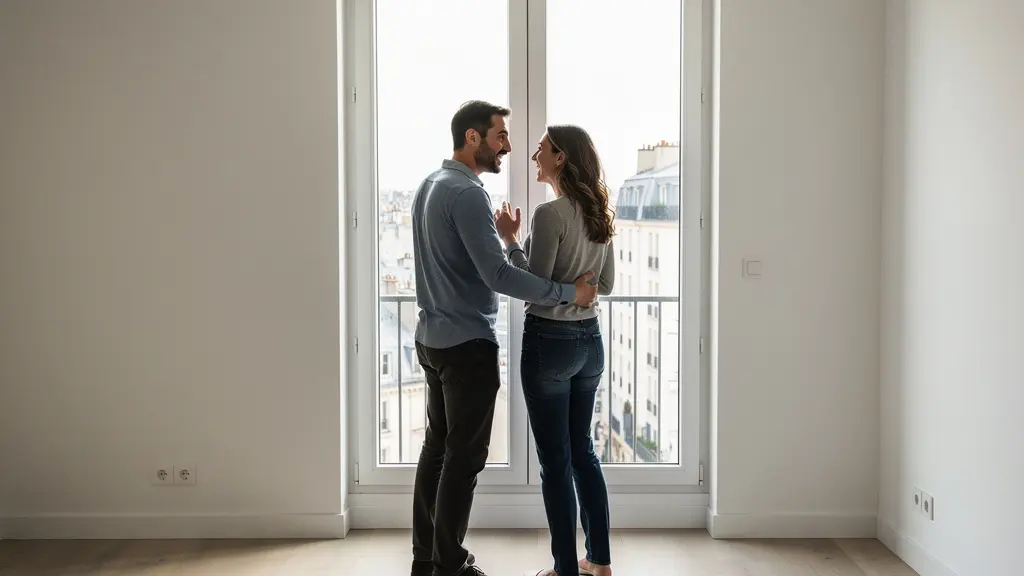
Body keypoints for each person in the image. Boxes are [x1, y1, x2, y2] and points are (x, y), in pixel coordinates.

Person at [410, 102, 599, 576]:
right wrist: (569, 293)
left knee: (437, 450)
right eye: (500, 136)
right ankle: (450, 565)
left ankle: (426, 559)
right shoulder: (467, 194)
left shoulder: (429, 185)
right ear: (472, 138)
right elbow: (499, 276)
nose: (508, 147)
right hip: (466, 346)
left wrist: (514, 245)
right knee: (463, 458)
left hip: (431, 340)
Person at [495, 125, 615, 576]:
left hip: (551, 343)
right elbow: (605, 285)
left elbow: (536, 287)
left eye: (541, 149)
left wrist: (510, 241)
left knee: (556, 461)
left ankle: (566, 569)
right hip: (591, 343)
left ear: (560, 158)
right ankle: (599, 562)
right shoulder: (600, 212)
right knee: (583, 451)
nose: (534, 156)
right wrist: (579, 287)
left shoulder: (550, 215)